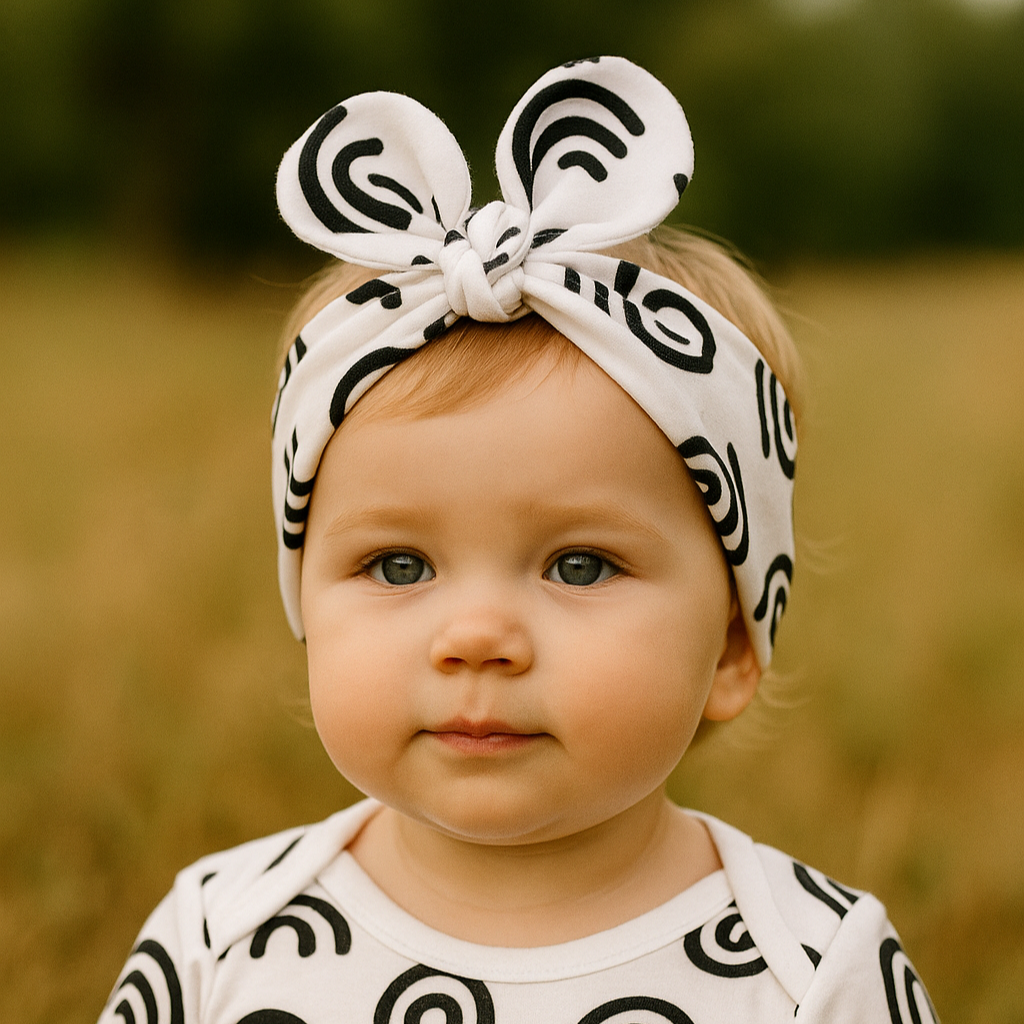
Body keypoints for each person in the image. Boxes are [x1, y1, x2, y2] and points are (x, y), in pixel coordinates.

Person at [98, 57, 936, 1024]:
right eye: (397, 565)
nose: (477, 635)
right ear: (306, 607)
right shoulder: (221, 936)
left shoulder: (812, 970)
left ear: (735, 643)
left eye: (580, 565)